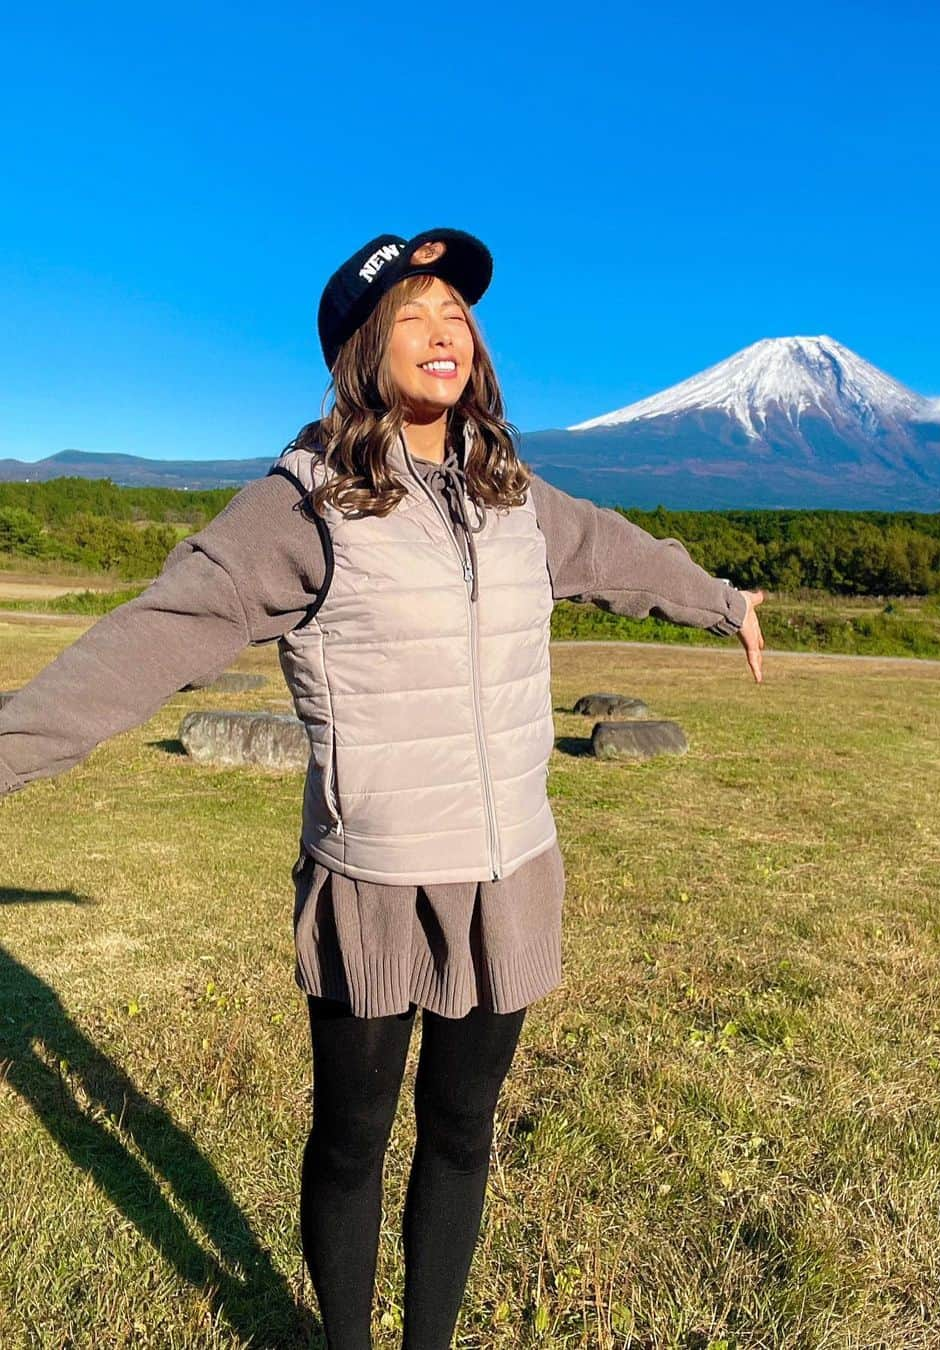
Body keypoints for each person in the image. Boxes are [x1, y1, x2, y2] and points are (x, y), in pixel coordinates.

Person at [0, 226, 766, 1349]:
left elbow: (620, 555)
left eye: (456, 314)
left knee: (462, 1132)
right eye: (411, 315)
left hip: (507, 876)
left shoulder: (512, 493)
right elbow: (151, 640)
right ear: (362, 350)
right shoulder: (306, 503)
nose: (443, 332)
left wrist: (723, 599)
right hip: (375, 882)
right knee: (352, 1139)